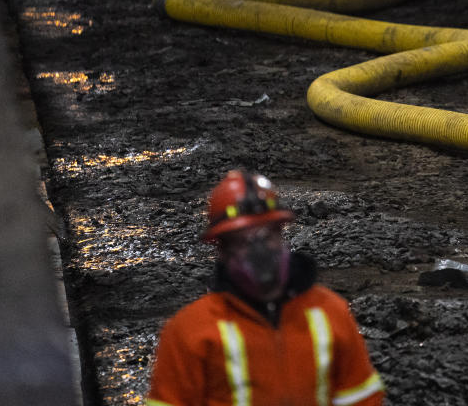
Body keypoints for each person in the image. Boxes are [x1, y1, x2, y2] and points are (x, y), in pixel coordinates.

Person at [146, 170, 385, 406]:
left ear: (282, 234)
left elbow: (362, 399)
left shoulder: (331, 312)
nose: (259, 251)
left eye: (267, 234)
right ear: (222, 250)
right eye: (243, 240)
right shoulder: (189, 332)